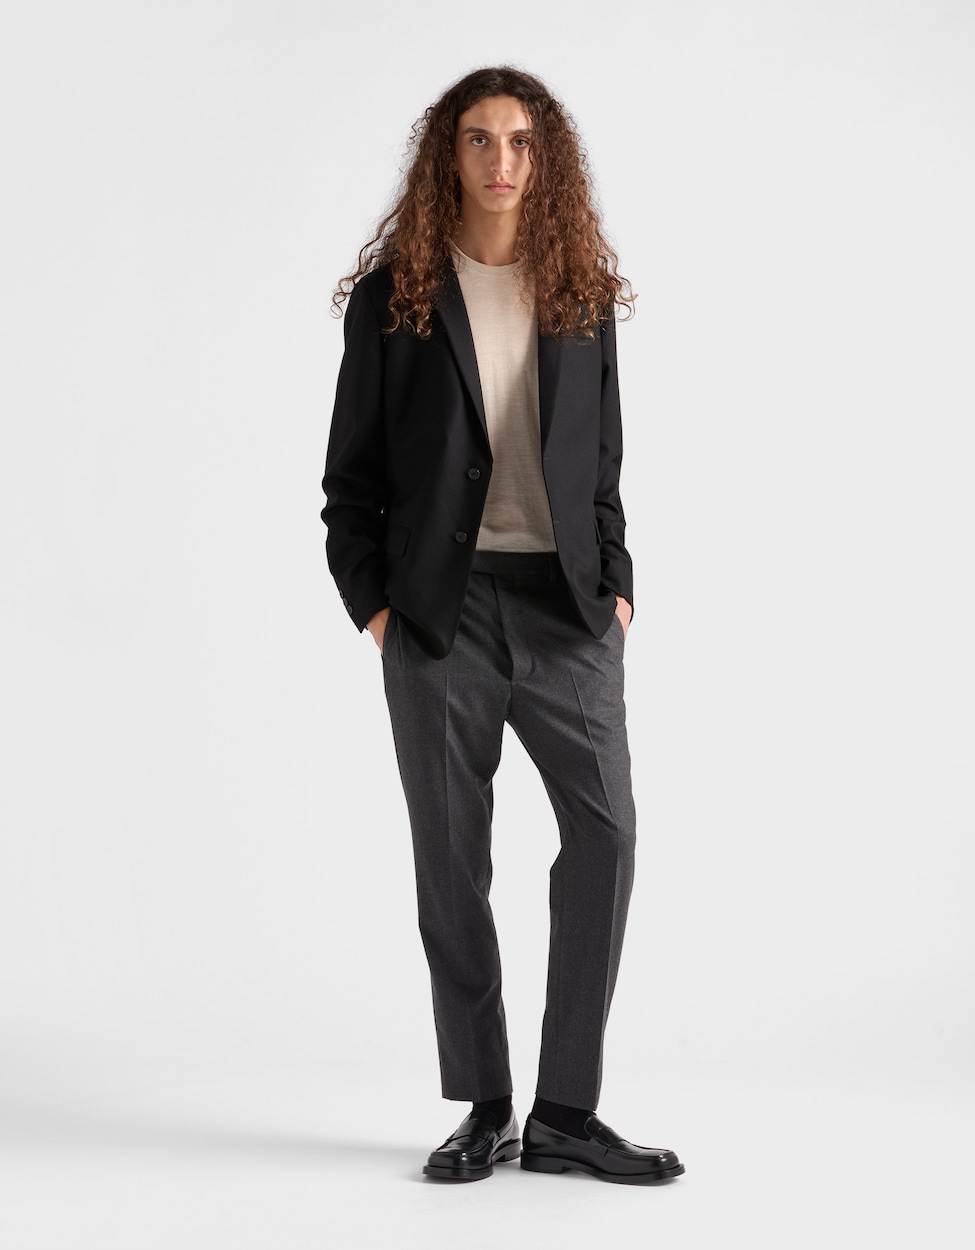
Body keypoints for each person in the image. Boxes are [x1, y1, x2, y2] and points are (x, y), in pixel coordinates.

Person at [321, 65, 684, 1185]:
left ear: (546, 157)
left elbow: (603, 461)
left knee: (607, 835)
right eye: (478, 138)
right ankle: (485, 1105)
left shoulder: (579, 293)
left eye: (520, 140)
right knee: (452, 861)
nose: (500, 160)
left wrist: (617, 582)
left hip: (566, 608)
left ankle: (565, 1110)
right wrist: (377, 608)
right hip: (440, 615)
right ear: (449, 155)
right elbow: (349, 482)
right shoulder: (396, 298)